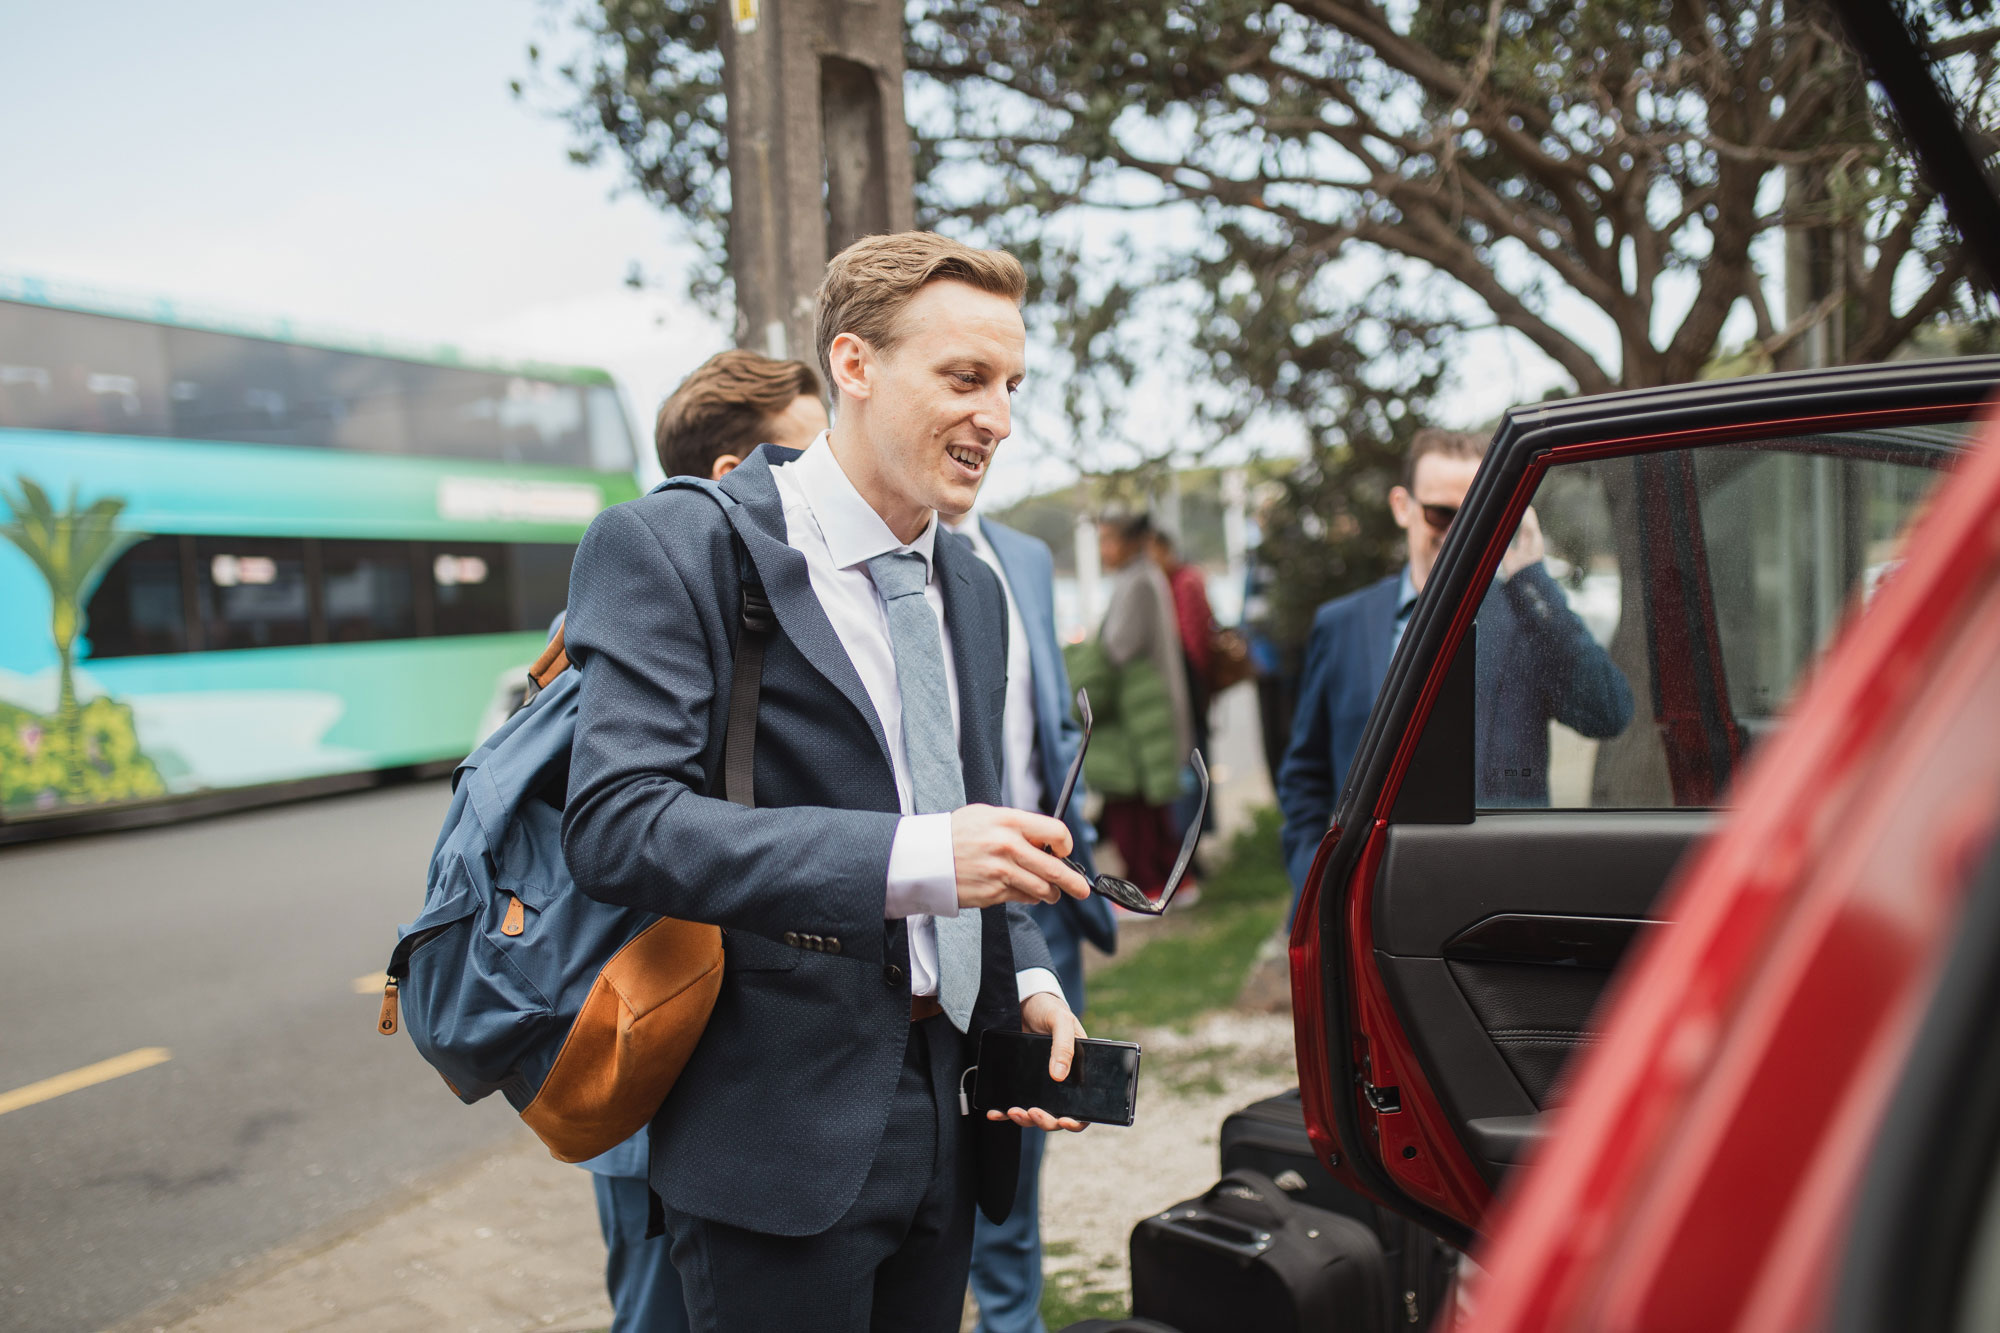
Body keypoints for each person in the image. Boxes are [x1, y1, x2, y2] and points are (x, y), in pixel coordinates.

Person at [561, 230, 1092, 1333]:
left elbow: (970, 822)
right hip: (773, 1137)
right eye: (962, 377)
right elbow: (616, 825)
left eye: (1008, 385)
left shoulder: (973, 588)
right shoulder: (671, 546)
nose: (995, 416)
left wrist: (1025, 984)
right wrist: (912, 858)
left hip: (950, 1116)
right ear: (852, 365)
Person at [573, 347, 828, 1333]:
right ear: (734, 475)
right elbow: (617, 829)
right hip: (654, 1036)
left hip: (695, 1042)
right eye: (803, 462)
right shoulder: (654, 596)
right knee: (660, 1305)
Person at [1276, 428, 1633, 917]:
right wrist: (1313, 882)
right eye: (1441, 512)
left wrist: (1532, 579)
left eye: (1475, 513)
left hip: (1496, 908)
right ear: (1402, 507)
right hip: (1368, 912)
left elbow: (1607, 713)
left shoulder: (1526, 613)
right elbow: (1306, 774)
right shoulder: (1340, 625)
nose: (1457, 530)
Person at [942, 507, 1118, 1333]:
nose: (990, 417)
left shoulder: (1026, 558)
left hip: (1037, 902)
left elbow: (1048, 721)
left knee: (1028, 1126)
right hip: (932, 901)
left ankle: (1014, 1319)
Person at [1067, 512, 1192, 904]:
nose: (1104, 550)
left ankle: (1148, 889)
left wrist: (1079, 654)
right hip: (1147, 708)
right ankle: (1169, 884)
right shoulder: (1144, 576)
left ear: (1131, 542)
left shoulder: (1137, 581)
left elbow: (1117, 648)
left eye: (1109, 541)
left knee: (1133, 804)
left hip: (1141, 713)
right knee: (1147, 806)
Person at [1150, 528, 1216, 846]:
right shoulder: (1172, 580)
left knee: (1191, 761)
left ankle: (1193, 843)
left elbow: (1193, 642)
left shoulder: (1184, 581)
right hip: (1187, 685)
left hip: (1188, 686)